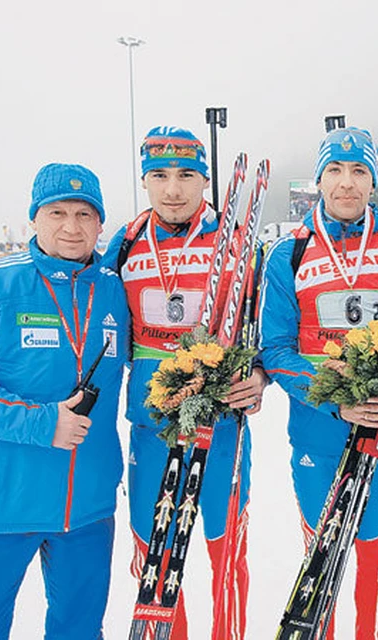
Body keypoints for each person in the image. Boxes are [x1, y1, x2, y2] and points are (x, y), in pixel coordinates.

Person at [0, 163, 129, 639]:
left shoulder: (115, 290)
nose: (71, 227)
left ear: (100, 223)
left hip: (88, 506)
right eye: (57, 212)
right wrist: (40, 422)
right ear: (33, 218)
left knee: (78, 630)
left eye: (84, 214)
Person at [103, 126, 268, 640]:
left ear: (204, 178)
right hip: (151, 425)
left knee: (227, 560)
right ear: (145, 180)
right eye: (159, 176)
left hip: (221, 431)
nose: (173, 189)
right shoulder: (125, 244)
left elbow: (264, 329)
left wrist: (259, 375)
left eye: (186, 175)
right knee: (155, 559)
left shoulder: (235, 241)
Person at [259, 126, 378, 640]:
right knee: (321, 565)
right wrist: (336, 398)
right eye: (335, 172)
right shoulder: (289, 255)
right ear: (319, 180)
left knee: (375, 563)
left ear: (374, 182)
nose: (347, 183)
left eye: (359, 171)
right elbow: (275, 350)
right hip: (317, 437)